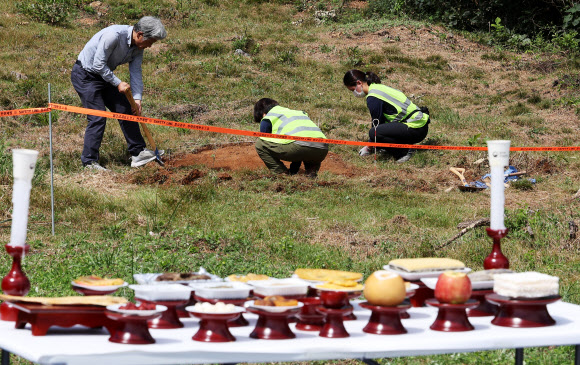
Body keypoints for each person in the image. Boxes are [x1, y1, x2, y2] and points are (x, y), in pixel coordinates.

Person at [71, 16, 167, 170]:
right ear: (140, 34)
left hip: (105, 76)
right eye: (151, 41)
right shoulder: (114, 36)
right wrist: (117, 82)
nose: (150, 46)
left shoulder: (138, 48)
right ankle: (89, 162)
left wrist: (137, 99)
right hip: (85, 75)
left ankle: (138, 153)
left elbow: (135, 73)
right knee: (98, 116)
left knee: (126, 109)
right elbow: (98, 65)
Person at [343, 69, 430, 163]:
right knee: (379, 134)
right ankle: (394, 146)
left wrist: (369, 147)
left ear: (359, 83)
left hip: (415, 129)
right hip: (420, 125)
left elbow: (377, 125)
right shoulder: (378, 87)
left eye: (353, 90)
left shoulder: (373, 97)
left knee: (374, 133)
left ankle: (404, 152)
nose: (354, 93)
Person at [254, 98, 329, 177]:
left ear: (262, 113)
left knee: (260, 144)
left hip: (299, 147)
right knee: (306, 146)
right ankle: (311, 172)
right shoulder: (298, 113)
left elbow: (264, 139)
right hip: (322, 149)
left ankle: (281, 173)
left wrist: (291, 171)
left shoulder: (268, 117)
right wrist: (294, 170)